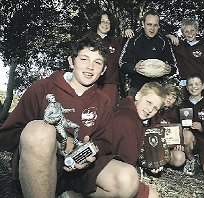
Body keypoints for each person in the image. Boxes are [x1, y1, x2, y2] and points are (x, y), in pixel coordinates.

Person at [0, 37, 139, 197]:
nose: (90, 67)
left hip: (79, 171)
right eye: (84, 59)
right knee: (39, 130)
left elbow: (104, 142)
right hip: (39, 168)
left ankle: (68, 195)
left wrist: (87, 153)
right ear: (71, 62)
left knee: (128, 178)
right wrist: (56, 141)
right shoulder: (43, 88)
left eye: (98, 62)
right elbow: (8, 135)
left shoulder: (104, 100)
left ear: (103, 70)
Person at [111, 82, 167, 198]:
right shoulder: (126, 119)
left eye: (155, 108)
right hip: (111, 173)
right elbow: (127, 160)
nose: (150, 109)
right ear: (137, 96)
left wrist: (151, 162)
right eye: (148, 102)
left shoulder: (135, 116)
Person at [119, 10, 178, 97]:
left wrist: (170, 69)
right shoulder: (133, 39)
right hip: (136, 86)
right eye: (149, 24)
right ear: (143, 24)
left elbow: (174, 66)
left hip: (157, 86)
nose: (152, 28)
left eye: (155, 25)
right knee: (131, 108)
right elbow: (122, 63)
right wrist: (134, 67)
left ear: (159, 26)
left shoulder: (164, 41)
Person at [84, 10, 134, 107]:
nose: (105, 24)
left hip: (110, 85)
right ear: (97, 23)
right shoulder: (89, 38)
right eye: (102, 21)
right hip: (91, 83)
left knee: (108, 113)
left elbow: (136, 41)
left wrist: (127, 31)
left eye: (108, 22)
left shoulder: (115, 41)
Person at [167, 18, 204, 100]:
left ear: (197, 31)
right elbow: (160, 35)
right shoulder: (179, 46)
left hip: (203, 85)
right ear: (182, 33)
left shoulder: (203, 47)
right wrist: (170, 36)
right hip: (186, 86)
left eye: (192, 30)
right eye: (186, 31)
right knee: (186, 110)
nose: (189, 33)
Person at [150, 80, 186, 167]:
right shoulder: (152, 107)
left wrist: (179, 144)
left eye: (173, 97)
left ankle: (165, 162)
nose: (170, 98)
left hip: (169, 146)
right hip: (152, 145)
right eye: (168, 94)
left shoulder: (176, 112)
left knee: (179, 158)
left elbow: (179, 131)